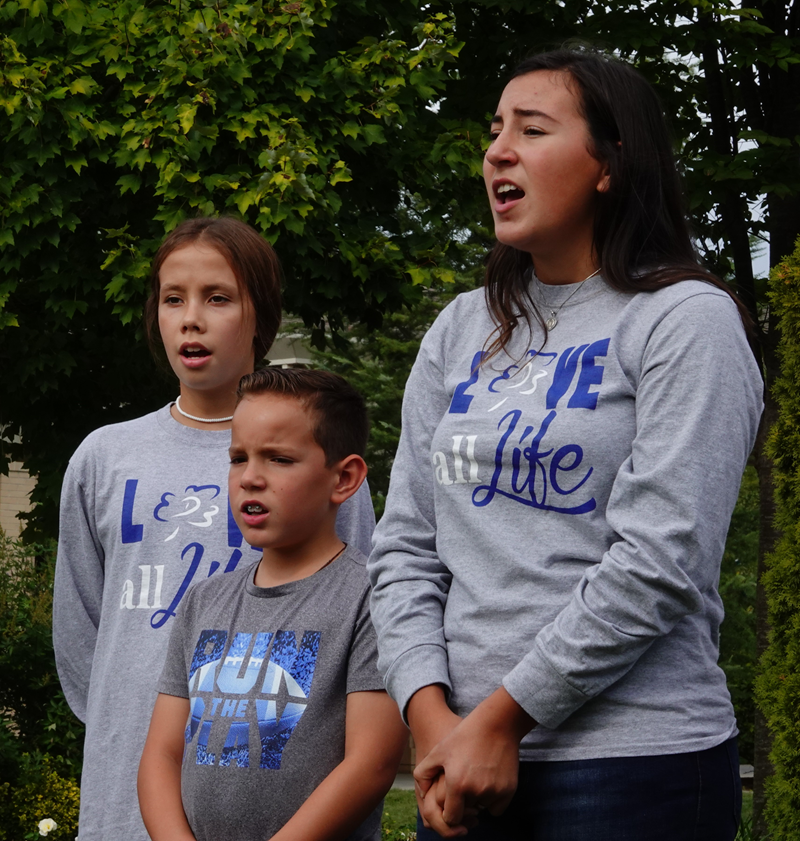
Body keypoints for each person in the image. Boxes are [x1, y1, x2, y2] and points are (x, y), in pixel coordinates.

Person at [367, 48, 763, 841]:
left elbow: (662, 557)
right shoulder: (461, 327)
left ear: (610, 164)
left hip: (633, 766)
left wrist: (504, 719)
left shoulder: (685, 319)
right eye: (495, 131)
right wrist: (431, 716)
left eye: (532, 129)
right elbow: (405, 547)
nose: (497, 151)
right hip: (459, 761)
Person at [53, 218, 376, 841]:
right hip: (127, 796)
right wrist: (127, 727)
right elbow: (81, 635)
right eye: (173, 299)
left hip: (284, 802)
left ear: (261, 316)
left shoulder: (318, 462)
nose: (191, 320)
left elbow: (356, 614)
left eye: (218, 298)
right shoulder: (104, 457)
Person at [138, 367, 406, 841]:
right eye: (238, 458)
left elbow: (371, 764)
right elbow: (162, 754)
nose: (250, 478)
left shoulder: (372, 598)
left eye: (279, 459)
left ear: (344, 478)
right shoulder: (204, 602)